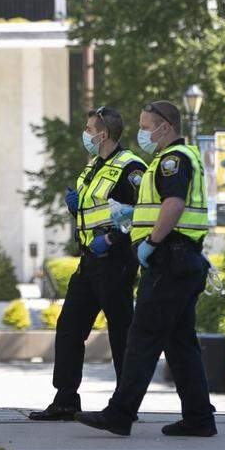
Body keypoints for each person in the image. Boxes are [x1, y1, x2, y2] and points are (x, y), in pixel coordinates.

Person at [76, 100, 216, 438]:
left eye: (145, 125)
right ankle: (199, 418)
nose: (142, 132)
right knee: (180, 342)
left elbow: (174, 203)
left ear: (164, 126)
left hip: (169, 259)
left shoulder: (172, 160)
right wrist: (131, 214)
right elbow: (160, 204)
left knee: (142, 337)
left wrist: (151, 242)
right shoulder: (174, 158)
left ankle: (120, 413)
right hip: (183, 259)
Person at [29, 107, 145, 421]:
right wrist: (74, 208)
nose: (86, 133)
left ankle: (125, 404)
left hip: (116, 260)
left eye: (89, 128)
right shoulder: (94, 165)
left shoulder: (129, 167)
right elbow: (96, 211)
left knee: (121, 333)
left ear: (103, 134)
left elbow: (140, 214)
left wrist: (111, 240)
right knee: (69, 328)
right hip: (90, 260)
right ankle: (66, 399)